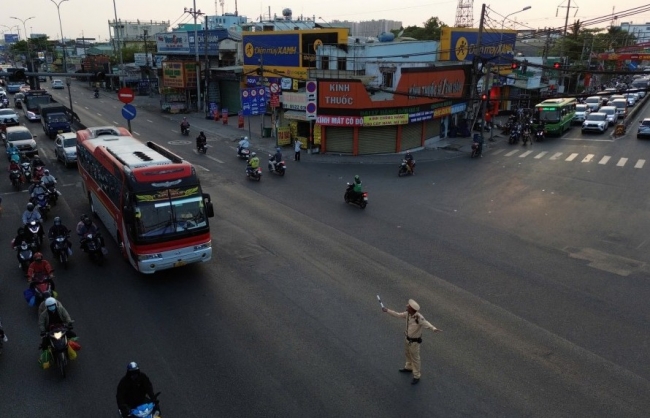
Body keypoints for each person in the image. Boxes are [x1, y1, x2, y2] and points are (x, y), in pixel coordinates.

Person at [382, 299, 442, 385]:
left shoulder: (419, 317)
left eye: (408, 306)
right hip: (407, 339)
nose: (406, 306)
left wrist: (434, 328)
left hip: (414, 342)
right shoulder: (407, 314)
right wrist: (387, 310)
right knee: (407, 354)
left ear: (412, 309)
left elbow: (426, 323)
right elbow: (398, 315)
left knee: (415, 358)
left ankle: (417, 375)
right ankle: (408, 367)